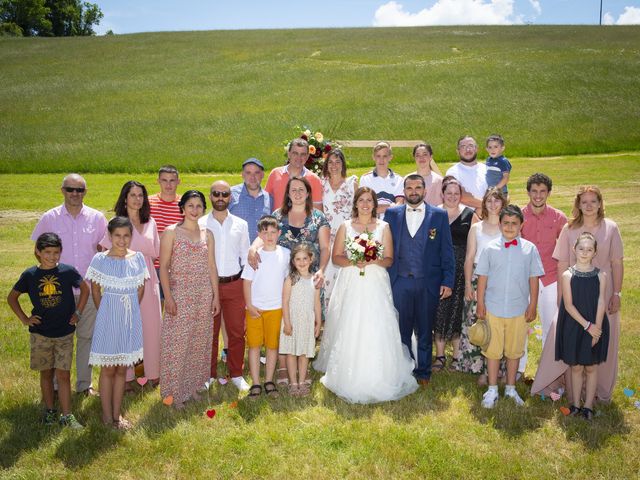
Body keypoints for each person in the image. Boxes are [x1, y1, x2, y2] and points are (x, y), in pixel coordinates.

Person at [316, 187, 418, 403]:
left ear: (374, 204)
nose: (365, 204)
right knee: (351, 322)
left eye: (369, 201)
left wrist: (372, 260)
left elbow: (389, 258)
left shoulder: (384, 227)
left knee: (376, 322)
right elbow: (336, 258)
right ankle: (347, 372)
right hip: (351, 281)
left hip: (375, 282)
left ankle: (380, 372)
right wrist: (354, 260)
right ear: (355, 203)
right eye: (361, 200)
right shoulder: (345, 226)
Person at [531, 185, 623, 403]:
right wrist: (562, 299)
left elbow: (617, 263)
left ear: (600, 203)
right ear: (578, 205)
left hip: (603, 292)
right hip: (574, 293)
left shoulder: (611, 227)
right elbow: (562, 263)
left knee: (600, 338)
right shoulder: (569, 229)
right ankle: (556, 382)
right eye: (584, 202)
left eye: (593, 201)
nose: (589, 206)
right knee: (562, 335)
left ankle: (597, 390)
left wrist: (616, 293)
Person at [248, 176, 330, 386]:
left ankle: (304, 365)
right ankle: (284, 367)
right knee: (287, 321)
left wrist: (321, 270)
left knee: (307, 320)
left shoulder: (318, 217)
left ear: (308, 192)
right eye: (293, 189)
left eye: (301, 189)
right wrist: (253, 247)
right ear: (288, 193)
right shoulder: (279, 215)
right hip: (284, 280)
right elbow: (265, 233)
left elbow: (324, 247)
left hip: (309, 278)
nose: (297, 193)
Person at [31, 173, 107, 396]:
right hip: (56, 292)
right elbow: (38, 250)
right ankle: (54, 386)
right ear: (62, 190)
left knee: (86, 337)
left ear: (85, 192)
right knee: (56, 339)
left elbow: (104, 252)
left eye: (80, 190)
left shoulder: (97, 218)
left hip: (89, 289)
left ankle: (84, 385)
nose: (75, 194)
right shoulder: (49, 218)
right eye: (70, 189)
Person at [7, 233, 89, 429]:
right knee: (46, 374)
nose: (52, 257)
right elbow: (12, 298)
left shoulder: (67, 272)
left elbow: (85, 289)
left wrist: (77, 312)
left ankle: (67, 416)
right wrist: (25, 318)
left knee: (63, 375)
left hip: (65, 333)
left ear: (61, 252)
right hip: (40, 334)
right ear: (38, 252)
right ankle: (50, 412)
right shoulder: (30, 275)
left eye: (56, 252)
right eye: (47, 252)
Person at [384, 175, 455, 385]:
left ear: (425, 190)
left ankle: (423, 372)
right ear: (403, 191)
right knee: (402, 329)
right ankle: (405, 370)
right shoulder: (392, 214)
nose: (413, 191)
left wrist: (448, 281)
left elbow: (446, 250)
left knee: (425, 330)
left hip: (428, 282)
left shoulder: (439, 215)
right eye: (409, 188)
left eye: (417, 187)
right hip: (400, 281)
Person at [475, 205, 544, 409]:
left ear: (521, 225)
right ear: (500, 224)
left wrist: (533, 305)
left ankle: (511, 388)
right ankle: (493, 388)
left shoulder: (530, 249)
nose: (510, 227)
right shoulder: (490, 248)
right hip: (493, 308)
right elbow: (482, 279)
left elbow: (534, 279)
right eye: (506, 223)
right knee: (493, 351)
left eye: (514, 223)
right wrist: (480, 303)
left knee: (514, 351)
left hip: (518, 309)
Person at [159, 191, 221, 409]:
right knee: (179, 344)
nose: (194, 210)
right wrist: (168, 297)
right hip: (180, 294)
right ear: (182, 208)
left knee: (199, 342)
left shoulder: (208, 234)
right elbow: (164, 267)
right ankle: (173, 393)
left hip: (203, 294)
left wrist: (216, 297)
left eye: (198, 206)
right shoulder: (171, 233)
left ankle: (193, 387)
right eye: (190, 205)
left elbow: (212, 267)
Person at [86, 216, 147, 429]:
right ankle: (106, 415)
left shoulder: (137, 258)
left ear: (131, 236)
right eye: (117, 236)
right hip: (108, 316)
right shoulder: (100, 260)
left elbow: (140, 287)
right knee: (108, 369)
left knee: (122, 368)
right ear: (110, 236)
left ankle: (117, 414)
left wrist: (130, 306)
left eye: (126, 236)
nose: (122, 240)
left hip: (130, 318)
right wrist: (106, 309)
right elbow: (95, 289)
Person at [101, 181, 162, 390]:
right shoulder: (116, 222)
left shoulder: (150, 222)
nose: (137, 199)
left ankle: (154, 373)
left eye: (140, 195)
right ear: (124, 198)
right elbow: (104, 250)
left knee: (152, 327)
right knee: (125, 328)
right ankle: (126, 377)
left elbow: (155, 252)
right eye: (132, 195)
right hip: (123, 280)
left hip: (147, 277)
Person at [199, 180, 251, 392]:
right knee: (209, 332)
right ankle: (208, 375)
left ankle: (237, 373)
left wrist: (246, 286)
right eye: (216, 194)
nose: (220, 198)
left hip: (234, 283)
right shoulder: (200, 224)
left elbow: (246, 257)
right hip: (208, 287)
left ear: (231, 197)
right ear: (210, 196)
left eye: (225, 194)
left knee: (237, 331)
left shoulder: (241, 224)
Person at [554, 233, 609, 420]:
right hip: (575, 324)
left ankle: (588, 406)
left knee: (592, 366)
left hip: (596, 324)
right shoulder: (567, 275)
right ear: (574, 249)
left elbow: (601, 301)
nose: (584, 252)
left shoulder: (601, 275)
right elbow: (568, 305)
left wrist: (597, 329)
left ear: (594, 252)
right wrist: (587, 327)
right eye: (581, 248)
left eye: (589, 249)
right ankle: (575, 404)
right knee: (576, 366)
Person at [457, 187, 507, 383]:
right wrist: (469, 285)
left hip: (501, 278)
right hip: (478, 277)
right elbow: (469, 258)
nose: (493, 204)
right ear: (484, 203)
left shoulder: (508, 227)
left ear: (503, 204)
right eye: (489, 201)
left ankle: (499, 368)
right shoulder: (476, 228)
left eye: (497, 201)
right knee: (478, 322)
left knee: (498, 324)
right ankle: (479, 368)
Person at [432, 176, 479, 372]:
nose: (452, 196)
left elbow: (478, 241)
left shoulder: (470, 215)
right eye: (448, 193)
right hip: (438, 268)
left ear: (461, 195)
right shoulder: (433, 214)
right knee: (440, 309)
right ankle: (440, 355)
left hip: (462, 268)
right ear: (442, 194)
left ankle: (458, 356)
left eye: (456, 193)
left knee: (459, 308)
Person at [242, 215, 290, 398]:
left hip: (276, 308)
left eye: (272, 232)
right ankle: (255, 383)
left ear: (279, 233)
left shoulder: (285, 254)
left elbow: (287, 280)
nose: (269, 236)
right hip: (255, 308)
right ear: (259, 234)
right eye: (265, 232)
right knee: (254, 346)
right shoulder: (255, 256)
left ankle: (269, 381)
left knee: (272, 346)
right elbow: (246, 282)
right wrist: (249, 305)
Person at [521, 173, 567, 346]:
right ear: (528, 192)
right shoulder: (519, 216)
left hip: (550, 277)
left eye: (542, 191)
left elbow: (566, 249)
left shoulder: (558, 217)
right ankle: (518, 370)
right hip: (525, 278)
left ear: (549, 193)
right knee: (521, 325)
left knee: (550, 325)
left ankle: (548, 372)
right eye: (534, 191)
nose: (538, 195)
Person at [280, 244, 322, 397]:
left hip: (307, 322)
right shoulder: (291, 279)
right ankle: (293, 383)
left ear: (311, 259)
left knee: (304, 353)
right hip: (292, 321)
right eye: (298, 259)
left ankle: (302, 381)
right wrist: (287, 323)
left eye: (305, 258)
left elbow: (317, 303)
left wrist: (318, 323)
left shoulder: (315, 280)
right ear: (293, 261)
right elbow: (284, 301)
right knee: (291, 352)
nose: (302, 262)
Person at [320, 148, 358, 311]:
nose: (334, 165)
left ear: (343, 164)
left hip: (346, 238)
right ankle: (326, 320)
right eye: (330, 162)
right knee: (326, 281)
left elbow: (358, 211)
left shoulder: (351, 184)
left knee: (345, 281)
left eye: (338, 162)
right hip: (325, 238)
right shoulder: (321, 184)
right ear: (326, 165)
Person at [148, 165, 183, 302]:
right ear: (158, 181)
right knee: (155, 308)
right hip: (153, 265)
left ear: (178, 181)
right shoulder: (148, 203)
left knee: (176, 308)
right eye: (164, 180)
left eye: (172, 180)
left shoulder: (184, 204)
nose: (168, 184)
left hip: (177, 267)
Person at [265, 138, 323, 211]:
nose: (299, 157)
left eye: (303, 154)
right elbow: (265, 203)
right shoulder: (275, 174)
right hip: (277, 221)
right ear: (289, 154)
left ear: (308, 156)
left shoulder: (315, 180)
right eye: (295, 153)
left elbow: (317, 212)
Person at [230, 158, 272, 242]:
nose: (252, 177)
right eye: (248, 173)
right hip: (235, 251)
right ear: (242, 174)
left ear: (262, 175)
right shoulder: (231, 194)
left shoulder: (269, 199)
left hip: (260, 251)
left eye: (256, 173)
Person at [359, 142, 404, 218]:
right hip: (371, 223)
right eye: (378, 156)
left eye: (385, 156)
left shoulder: (399, 179)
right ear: (373, 157)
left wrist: (378, 208)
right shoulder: (365, 179)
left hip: (392, 224)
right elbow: (364, 206)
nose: (381, 160)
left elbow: (399, 206)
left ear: (390, 157)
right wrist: (390, 206)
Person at [445, 136, 488, 211]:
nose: (468, 149)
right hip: (464, 218)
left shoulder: (487, 169)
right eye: (463, 147)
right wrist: (490, 206)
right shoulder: (452, 172)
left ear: (477, 149)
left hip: (489, 217)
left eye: (471, 146)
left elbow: (501, 193)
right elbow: (462, 197)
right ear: (458, 151)